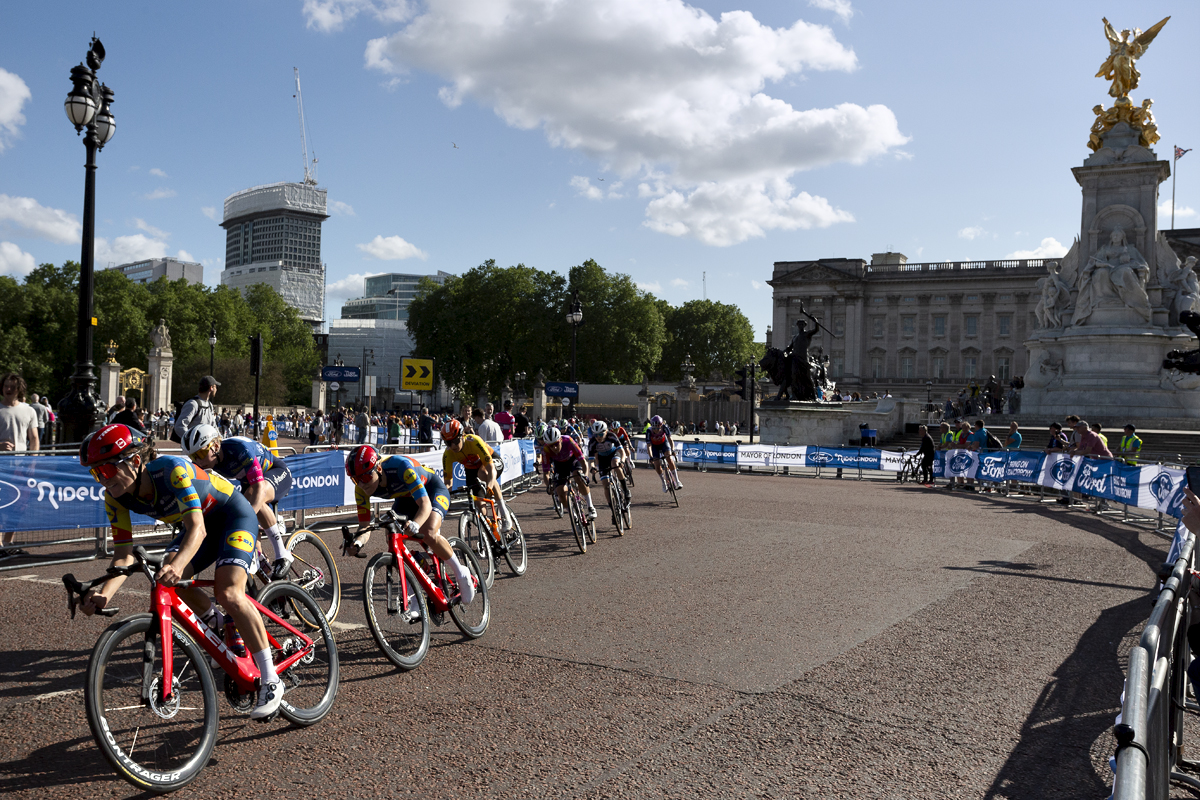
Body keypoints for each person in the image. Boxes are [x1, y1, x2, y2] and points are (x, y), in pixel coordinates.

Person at [77, 423, 285, 720]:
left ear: (135, 461)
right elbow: (123, 555)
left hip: (231, 515)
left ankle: (270, 680)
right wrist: (103, 595)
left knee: (227, 591)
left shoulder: (172, 469)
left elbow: (197, 529)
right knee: (167, 575)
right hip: (199, 525)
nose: (102, 481)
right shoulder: (114, 497)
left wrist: (177, 565)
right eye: (95, 474)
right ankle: (215, 620)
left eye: (106, 471)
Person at [343, 444, 476, 604]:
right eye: (355, 479)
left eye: (365, 477)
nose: (362, 484)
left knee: (429, 532)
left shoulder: (400, 466)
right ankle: (413, 590)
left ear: (378, 468)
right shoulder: (361, 489)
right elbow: (364, 526)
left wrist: (415, 523)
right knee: (392, 537)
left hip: (432, 490)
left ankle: (461, 572)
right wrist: (357, 542)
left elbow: (425, 505)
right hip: (405, 499)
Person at [182, 424, 294, 579]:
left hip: (276, 472)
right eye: (193, 457)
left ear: (215, 446)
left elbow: (259, 487)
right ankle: (268, 579)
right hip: (249, 483)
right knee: (249, 534)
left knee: (253, 501)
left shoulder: (238, 449)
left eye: (201, 453)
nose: (198, 462)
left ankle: (283, 554)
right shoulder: (208, 463)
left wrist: (245, 518)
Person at [441, 418, 512, 531]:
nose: (452, 446)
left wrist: (489, 484)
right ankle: (490, 534)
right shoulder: (448, 454)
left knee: (483, 473)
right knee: (479, 505)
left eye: (455, 441)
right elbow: (448, 482)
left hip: (491, 461)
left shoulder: (473, 441)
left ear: (462, 435)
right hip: (471, 470)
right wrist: (445, 499)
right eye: (448, 443)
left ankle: (504, 513)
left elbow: (490, 467)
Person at [0, 372, 39, 558]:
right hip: (1, 465)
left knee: (18, 505)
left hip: (21, 465)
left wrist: (32, 461)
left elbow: (34, 438)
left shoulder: (29, 410)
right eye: (6, 386)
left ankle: (8, 543)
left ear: (19, 389)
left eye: (12, 387)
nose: (8, 389)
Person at [539, 426, 596, 520]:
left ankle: (590, 507)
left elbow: (583, 462)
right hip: (559, 465)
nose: (555, 447)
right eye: (551, 445)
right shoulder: (545, 449)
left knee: (578, 477)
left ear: (560, 440)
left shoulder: (568, 440)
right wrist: (549, 486)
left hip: (572, 459)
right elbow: (546, 473)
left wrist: (585, 476)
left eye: (556, 443)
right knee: (560, 492)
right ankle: (573, 515)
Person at [588, 420, 631, 522]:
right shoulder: (592, 442)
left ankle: (625, 489)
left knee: (615, 464)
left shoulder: (611, 436)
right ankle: (613, 512)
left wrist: (623, 462)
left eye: (601, 434)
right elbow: (591, 459)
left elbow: (622, 451)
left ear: (606, 431)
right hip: (602, 460)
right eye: (596, 434)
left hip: (613, 454)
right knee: (606, 485)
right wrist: (593, 468)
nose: (598, 436)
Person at [174, 376, 220, 443]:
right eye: (216, 387)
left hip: (206, 447)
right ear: (211, 388)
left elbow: (213, 426)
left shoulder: (209, 405)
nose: (217, 389)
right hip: (194, 450)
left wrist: (220, 439)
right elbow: (180, 426)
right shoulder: (193, 404)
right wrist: (192, 441)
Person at [646, 415, 683, 493]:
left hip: (663, 443)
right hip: (654, 446)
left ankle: (677, 481)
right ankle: (663, 482)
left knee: (669, 459)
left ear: (661, 425)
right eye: (654, 428)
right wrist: (651, 457)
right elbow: (649, 446)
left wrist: (673, 450)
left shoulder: (665, 427)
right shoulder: (649, 431)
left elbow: (670, 439)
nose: (656, 430)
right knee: (657, 465)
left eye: (658, 428)